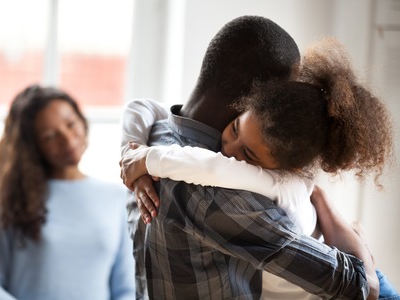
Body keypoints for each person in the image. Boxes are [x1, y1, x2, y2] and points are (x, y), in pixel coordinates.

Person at [120, 15, 378, 299]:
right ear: (254, 98)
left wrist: (130, 146)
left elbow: (142, 108)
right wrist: (356, 238)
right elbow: (358, 286)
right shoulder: (221, 195)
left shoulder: (148, 138)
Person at [0, 85, 135, 300]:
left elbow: (126, 291)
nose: (68, 139)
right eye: (50, 136)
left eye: (70, 124)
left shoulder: (116, 197)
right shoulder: (10, 198)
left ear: (82, 120)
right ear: (33, 146)